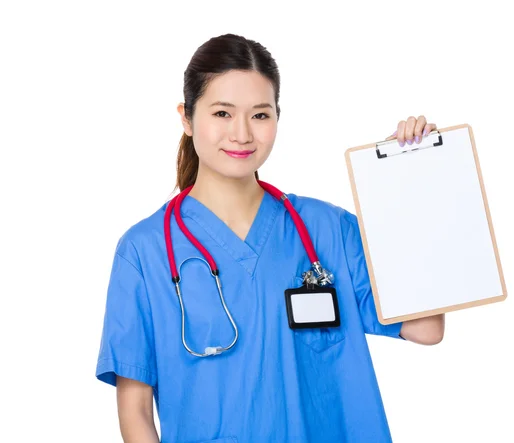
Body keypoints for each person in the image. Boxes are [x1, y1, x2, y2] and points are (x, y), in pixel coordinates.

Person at [95, 33, 445, 443]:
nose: (242, 134)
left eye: (260, 115)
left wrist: (408, 183)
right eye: (222, 113)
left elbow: (426, 328)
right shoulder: (145, 251)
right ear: (187, 118)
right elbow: (135, 412)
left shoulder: (328, 229)